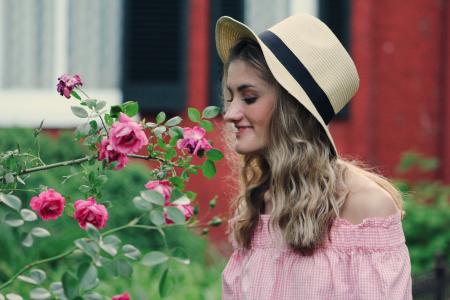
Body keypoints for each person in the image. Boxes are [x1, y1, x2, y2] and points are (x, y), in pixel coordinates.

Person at [215, 14, 412, 299]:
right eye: (230, 97)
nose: (230, 114)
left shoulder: (365, 208)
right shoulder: (257, 202)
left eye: (249, 98)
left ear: (291, 109)